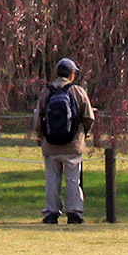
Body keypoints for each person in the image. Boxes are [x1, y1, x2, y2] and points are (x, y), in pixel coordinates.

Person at [33, 58, 96, 225]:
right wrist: (83, 134)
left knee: (52, 179)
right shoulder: (78, 91)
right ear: (72, 74)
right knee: (73, 179)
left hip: (51, 145)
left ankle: (51, 213)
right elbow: (89, 117)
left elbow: (38, 118)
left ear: (56, 73)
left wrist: (41, 135)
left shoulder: (46, 92)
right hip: (73, 144)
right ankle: (74, 212)